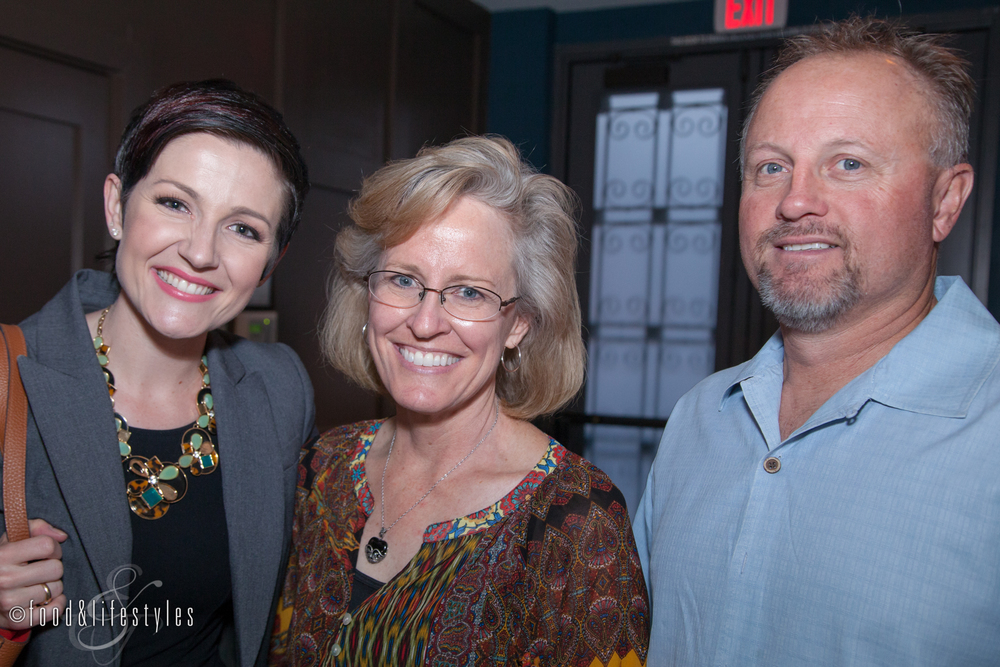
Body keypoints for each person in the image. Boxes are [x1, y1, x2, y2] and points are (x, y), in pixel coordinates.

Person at [633, 15, 1000, 665]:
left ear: (946, 200)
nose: (796, 201)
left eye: (848, 163)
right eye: (771, 166)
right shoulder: (698, 419)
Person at [268, 136, 649, 666]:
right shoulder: (322, 469)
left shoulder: (577, 523)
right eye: (403, 280)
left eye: (469, 292)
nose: (425, 324)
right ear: (367, 297)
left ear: (518, 324)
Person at [3, 80, 316, 666]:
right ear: (117, 205)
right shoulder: (8, 377)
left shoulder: (279, 389)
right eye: (175, 203)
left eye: (244, 228)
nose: (201, 252)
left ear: (272, 260)